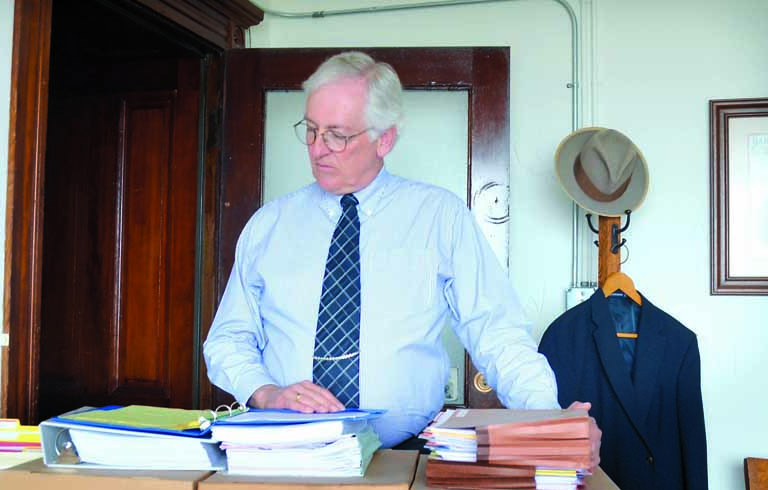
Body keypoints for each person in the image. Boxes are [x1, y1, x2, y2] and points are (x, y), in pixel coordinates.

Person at [204, 51, 587, 449]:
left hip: (400, 457)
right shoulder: (269, 225)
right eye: (312, 130)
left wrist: (547, 417)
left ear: (384, 138)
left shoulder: (439, 217)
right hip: (281, 453)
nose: (318, 149)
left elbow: (496, 331)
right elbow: (228, 339)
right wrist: (266, 393)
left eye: (338, 135)